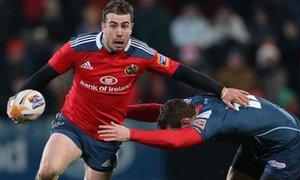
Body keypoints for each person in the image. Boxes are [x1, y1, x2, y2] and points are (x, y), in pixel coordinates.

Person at [6, 0, 249, 179]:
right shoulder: (77, 47)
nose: (119, 32)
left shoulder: (143, 54)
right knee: (48, 171)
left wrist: (221, 90)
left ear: (132, 27)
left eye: (124, 26)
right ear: (103, 26)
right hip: (73, 123)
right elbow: (43, 76)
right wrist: (15, 100)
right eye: (113, 25)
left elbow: (182, 72)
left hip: (108, 133)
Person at [99, 93, 300, 179]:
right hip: (257, 141)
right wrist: (119, 112)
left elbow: (177, 141)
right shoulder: (190, 105)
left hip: (288, 143)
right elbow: (158, 110)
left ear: (185, 124)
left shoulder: (210, 120)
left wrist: (130, 133)